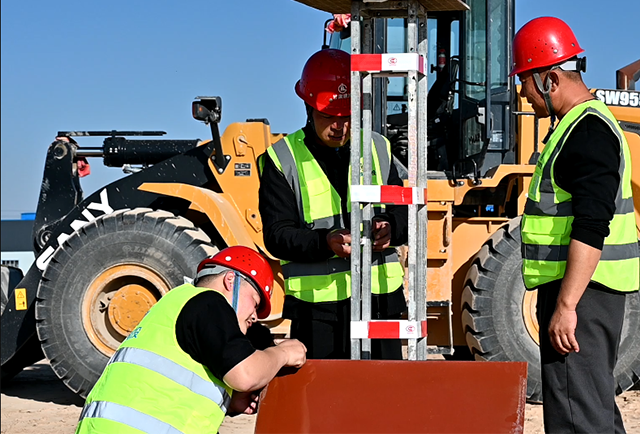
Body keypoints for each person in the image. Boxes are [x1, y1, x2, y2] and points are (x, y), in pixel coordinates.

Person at [510, 17, 640, 434]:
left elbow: (591, 225)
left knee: (576, 417)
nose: (523, 94)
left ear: (549, 79)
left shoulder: (586, 132)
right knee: (590, 408)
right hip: (585, 290)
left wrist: (566, 307)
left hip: (583, 293)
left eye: (525, 82)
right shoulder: (580, 126)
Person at [258, 48, 408, 360]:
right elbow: (277, 235)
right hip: (317, 312)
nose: (340, 126)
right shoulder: (281, 158)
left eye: (347, 116)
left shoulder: (379, 147)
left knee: (386, 389)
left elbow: (404, 213)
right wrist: (325, 242)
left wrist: (391, 227)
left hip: (380, 301)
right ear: (308, 108)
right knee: (325, 392)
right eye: (329, 117)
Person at [75, 246, 307, 434]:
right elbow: (246, 375)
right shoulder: (208, 302)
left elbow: (166, 391)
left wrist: (228, 399)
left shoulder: (176, 305)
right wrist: (283, 353)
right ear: (230, 280)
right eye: (254, 302)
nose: (254, 316)